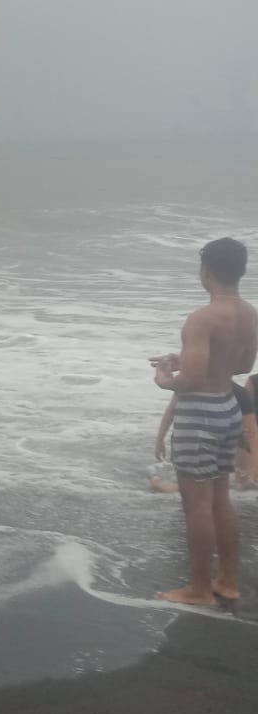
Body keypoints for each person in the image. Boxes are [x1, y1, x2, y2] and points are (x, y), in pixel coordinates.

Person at [149, 238, 258, 605]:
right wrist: (184, 357)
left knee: (196, 504)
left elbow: (192, 380)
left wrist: (165, 378)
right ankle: (227, 581)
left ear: (206, 271)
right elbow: (242, 365)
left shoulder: (203, 317)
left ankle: (198, 589)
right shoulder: (249, 313)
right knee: (220, 500)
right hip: (228, 409)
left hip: (199, 416)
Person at [151, 377, 258, 493]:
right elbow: (171, 411)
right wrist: (160, 439)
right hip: (192, 443)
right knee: (199, 487)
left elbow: (251, 432)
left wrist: (254, 468)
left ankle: (164, 485)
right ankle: (163, 486)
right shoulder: (189, 386)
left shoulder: (240, 392)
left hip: (222, 444)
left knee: (234, 484)